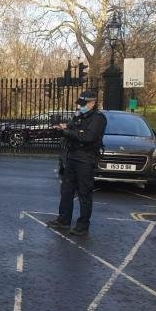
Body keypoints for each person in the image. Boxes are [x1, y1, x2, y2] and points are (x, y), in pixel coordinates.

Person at [47, 89, 106, 235]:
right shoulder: (79, 116)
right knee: (66, 190)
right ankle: (63, 220)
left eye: (83, 104)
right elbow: (73, 128)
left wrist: (67, 132)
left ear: (92, 103)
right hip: (72, 157)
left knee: (84, 192)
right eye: (79, 103)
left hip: (86, 159)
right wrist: (64, 127)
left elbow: (87, 137)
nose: (80, 106)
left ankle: (83, 225)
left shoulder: (98, 118)